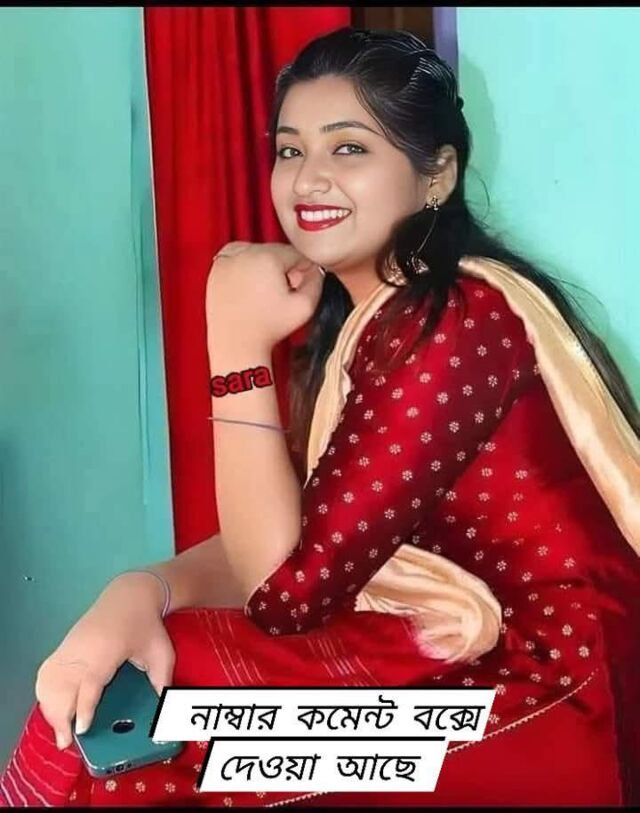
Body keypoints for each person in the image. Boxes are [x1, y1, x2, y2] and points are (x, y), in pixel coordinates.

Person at [1, 25, 639, 808]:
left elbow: (283, 592)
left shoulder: (456, 320)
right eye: (290, 150)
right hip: (460, 659)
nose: (308, 179)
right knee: (137, 688)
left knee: (165, 730)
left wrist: (236, 343)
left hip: (545, 694)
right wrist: (141, 591)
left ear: (436, 175)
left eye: (348, 148)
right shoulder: (374, 324)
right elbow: (297, 535)